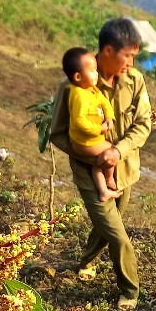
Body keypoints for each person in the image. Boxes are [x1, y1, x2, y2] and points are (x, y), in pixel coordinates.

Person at [47, 19, 151, 311]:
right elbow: (57, 133)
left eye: (134, 56)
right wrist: (94, 157)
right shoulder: (73, 86)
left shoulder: (135, 80)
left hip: (125, 169)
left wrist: (117, 151)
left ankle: (86, 261)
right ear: (108, 50)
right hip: (90, 174)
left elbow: (143, 124)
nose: (131, 63)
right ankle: (130, 291)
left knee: (109, 221)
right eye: (127, 55)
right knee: (118, 236)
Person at [61, 47, 120, 202]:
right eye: (92, 71)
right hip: (84, 142)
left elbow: (104, 102)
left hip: (92, 139)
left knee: (100, 160)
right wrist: (98, 129)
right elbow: (79, 121)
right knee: (110, 152)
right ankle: (108, 180)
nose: (96, 74)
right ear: (78, 76)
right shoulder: (79, 95)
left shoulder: (91, 89)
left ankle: (103, 191)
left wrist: (109, 117)